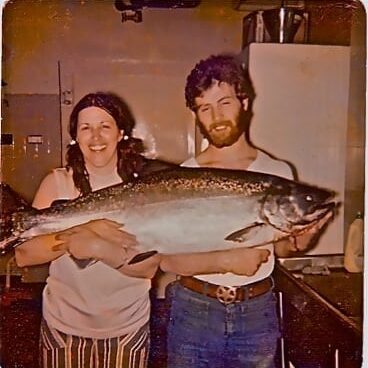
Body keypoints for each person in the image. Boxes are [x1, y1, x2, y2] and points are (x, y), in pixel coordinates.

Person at [15, 91, 271, 368]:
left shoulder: (146, 187)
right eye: (86, 128)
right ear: (75, 136)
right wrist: (82, 231)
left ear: (120, 133)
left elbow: (148, 267)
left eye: (105, 126)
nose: (96, 137)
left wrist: (98, 247)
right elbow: (24, 255)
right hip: (64, 326)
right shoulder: (57, 182)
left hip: (128, 327)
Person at [166, 54, 331, 368]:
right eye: (205, 108)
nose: (216, 117)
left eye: (224, 102)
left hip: (257, 312)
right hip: (193, 310)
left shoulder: (276, 170)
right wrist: (227, 260)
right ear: (197, 116)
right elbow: (169, 259)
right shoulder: (184, 175)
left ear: (244, 102)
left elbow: (281, 245)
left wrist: (300, 241)